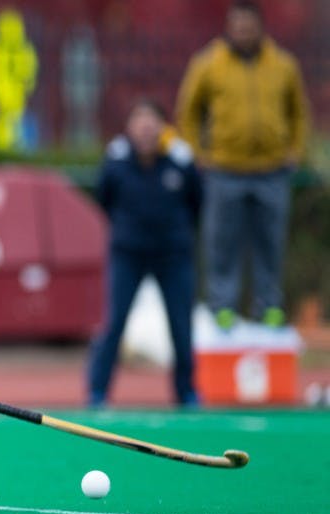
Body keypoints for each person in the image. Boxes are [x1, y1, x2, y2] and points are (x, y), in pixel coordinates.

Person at [175, 0, 310, 331]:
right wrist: (197, 152)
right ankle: (223, 307)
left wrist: (295, 149)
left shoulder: (282, 65)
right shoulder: (208, 64)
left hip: (272, 170)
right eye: (238, 26)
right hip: (225, 170)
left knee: (270, 242)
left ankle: (269, 306)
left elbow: (299, 112)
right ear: (229, 27)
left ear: (260, 27)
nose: (243, 32)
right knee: (222, 242)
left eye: (249, 26)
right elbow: (188, 111)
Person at [86, 99, 202, 409]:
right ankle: (97, 391)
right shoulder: (116, 160)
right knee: (114, 322)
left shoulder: (181, 159)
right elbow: (104, 198)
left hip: (173, 254)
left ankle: (186, 392)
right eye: (140, 122)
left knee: (181, 325)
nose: (146, 130)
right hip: (128, 253)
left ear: (163, 128)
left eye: (153, 123)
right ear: (129, 129)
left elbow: (197, 202)